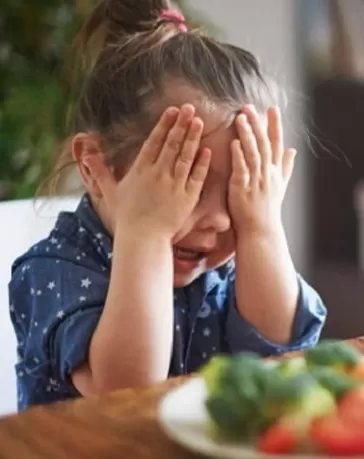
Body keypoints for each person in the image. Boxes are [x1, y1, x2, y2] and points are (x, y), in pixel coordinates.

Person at [8, 0, 326, 411]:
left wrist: (261, 227)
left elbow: (282, 353)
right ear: (95, 166)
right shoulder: (53, 270)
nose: (218, 219)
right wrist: (147, 234)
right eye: (186, 186)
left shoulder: (232, 260)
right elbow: (126, 390)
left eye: (239, 191)